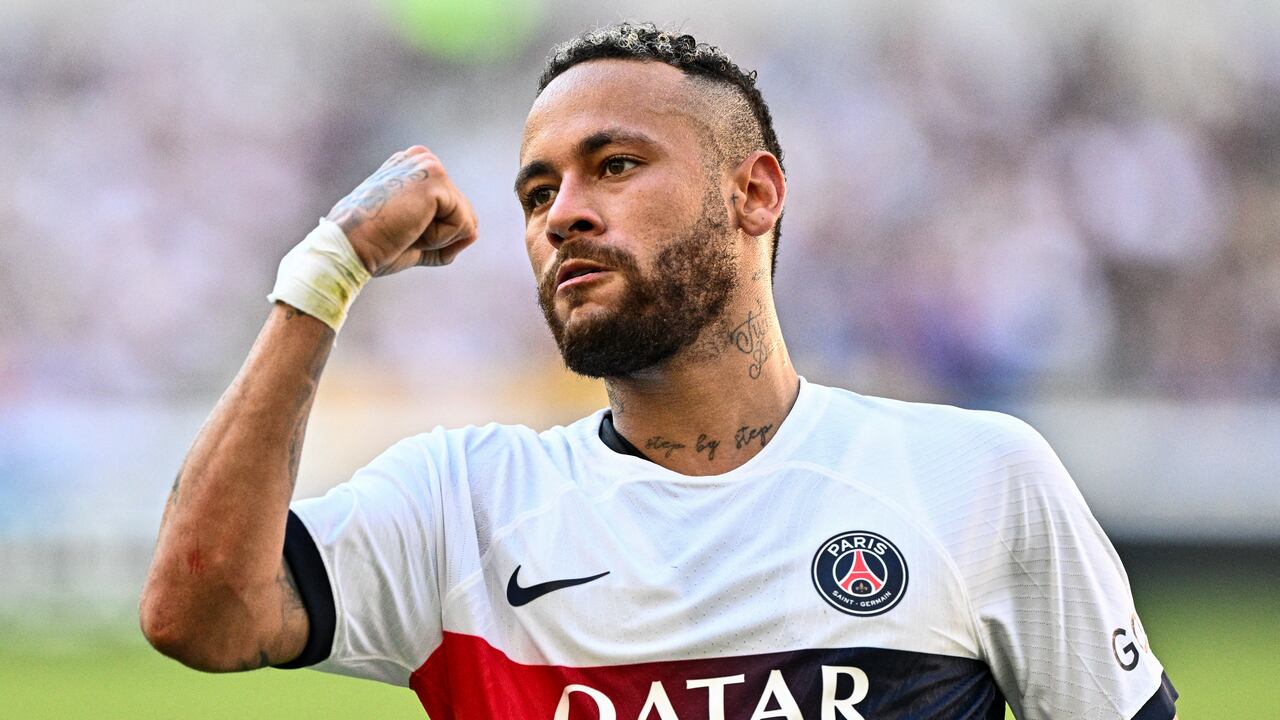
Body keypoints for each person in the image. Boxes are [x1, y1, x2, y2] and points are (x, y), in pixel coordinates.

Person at [140, 22, 1178, 720]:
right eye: (536, 192)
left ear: (755, 193)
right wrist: (326, 269)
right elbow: (202, 614)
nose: (563, 215)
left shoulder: (975, 479)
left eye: (616, 165)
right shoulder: (461, 503)